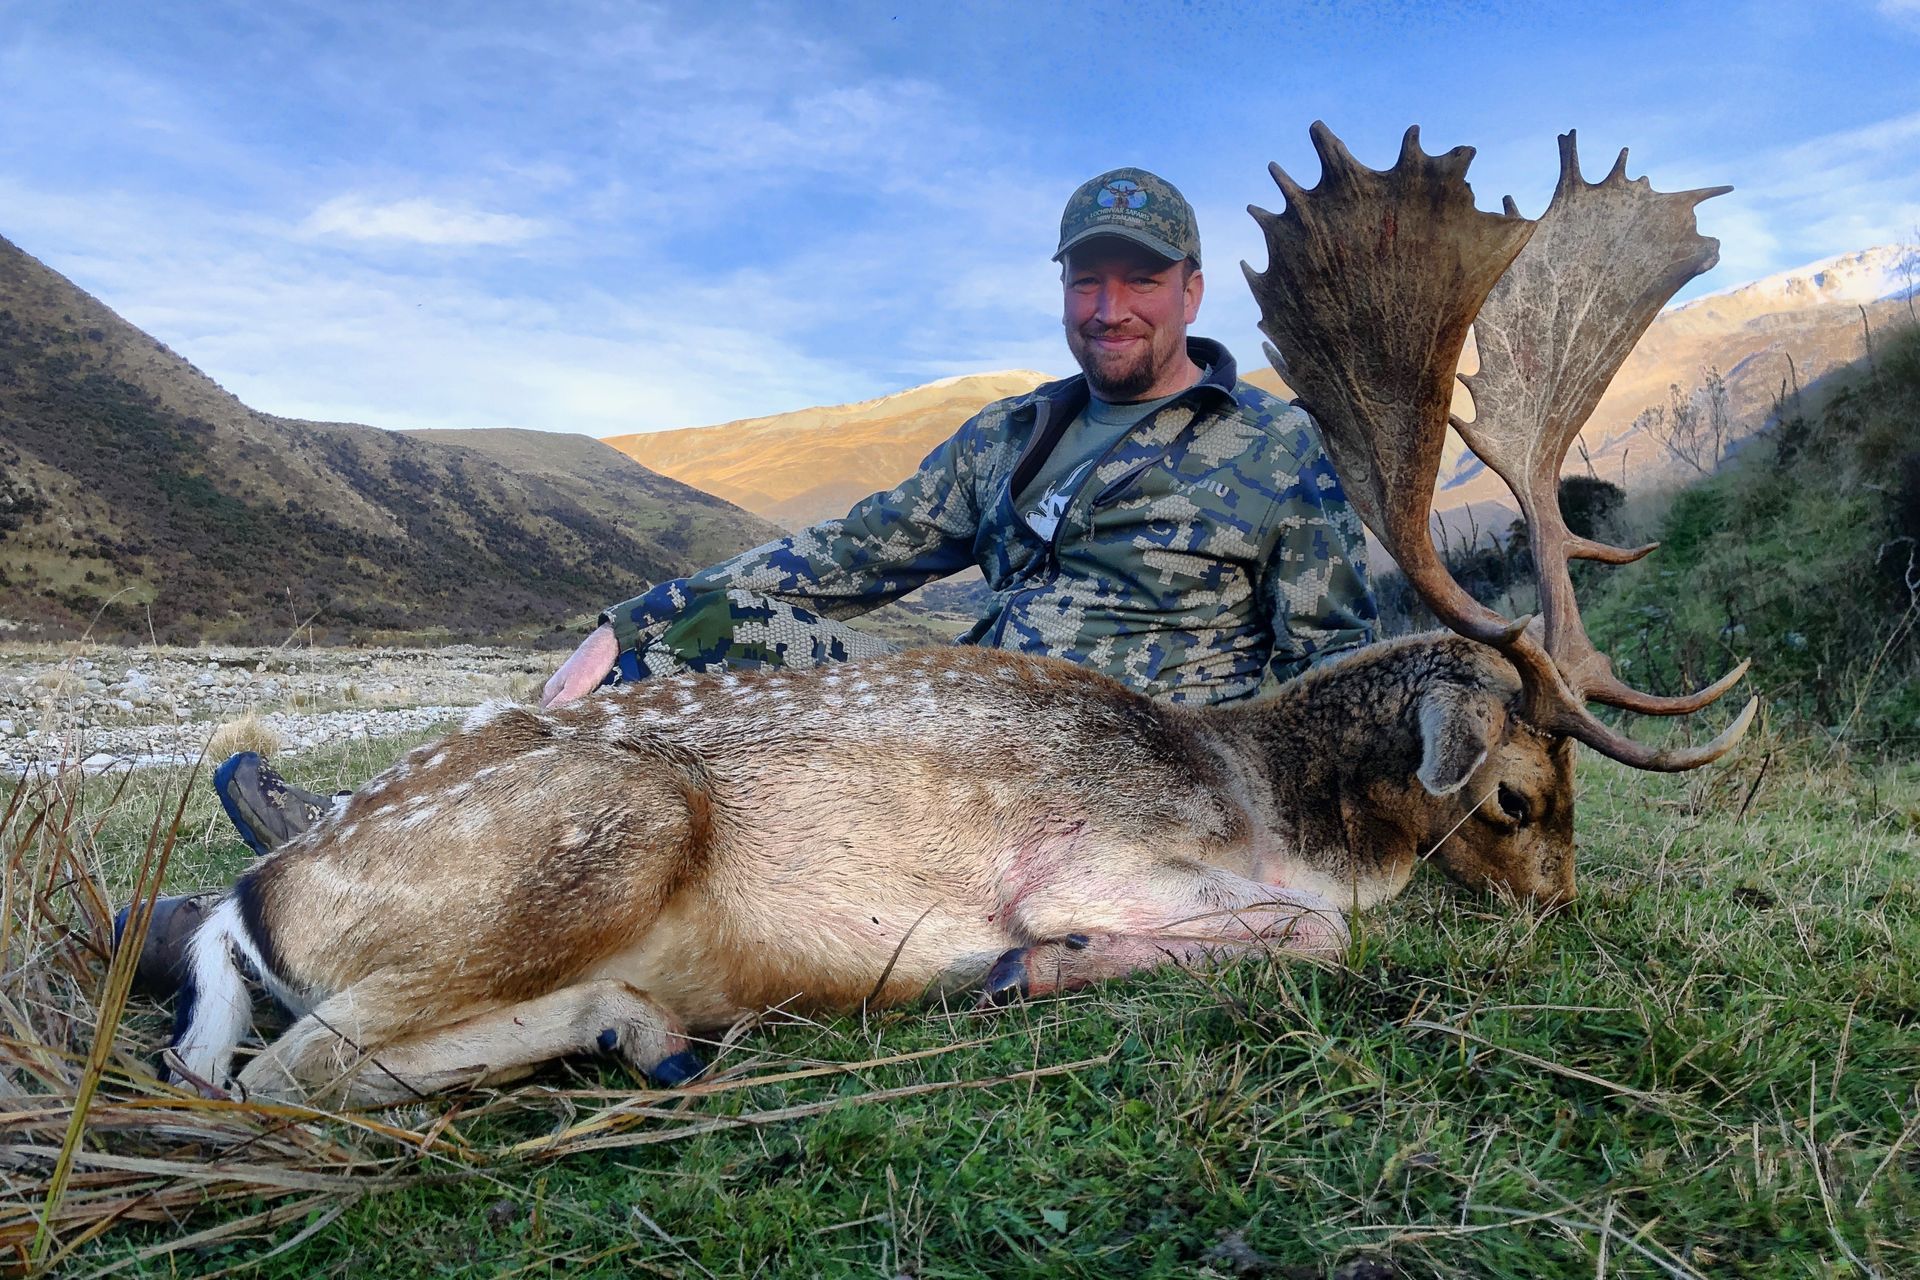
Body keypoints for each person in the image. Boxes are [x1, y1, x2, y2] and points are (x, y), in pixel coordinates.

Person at [117, 167, 1376, 995]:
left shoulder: (1276, 448)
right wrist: (643, 623)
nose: (1109, 306)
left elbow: (1332, 675)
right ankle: (381, 831)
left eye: (1139, 278)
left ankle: (301, 911)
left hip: (1131, 780)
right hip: (964, 733)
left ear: (1189, 289)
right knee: (705, 630)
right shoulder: (1015, 434)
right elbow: (853, 553)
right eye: (1086, 279)